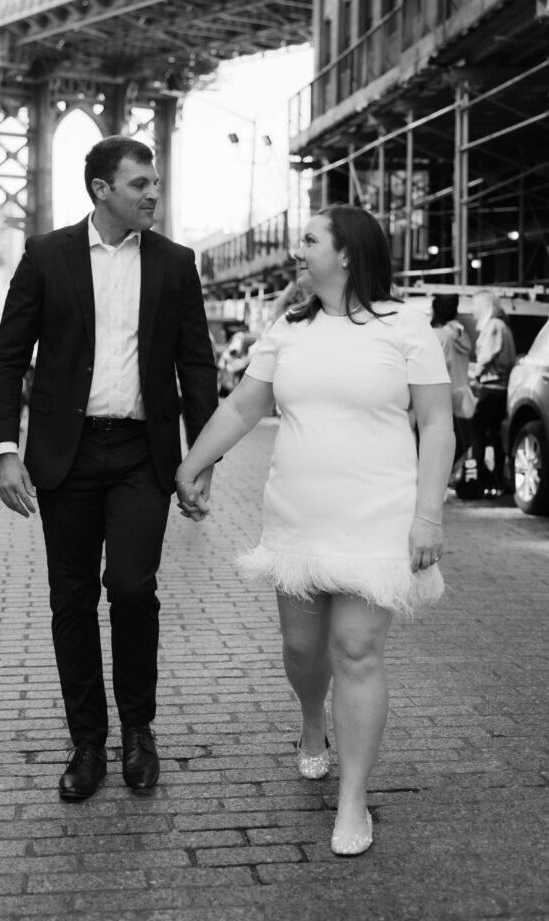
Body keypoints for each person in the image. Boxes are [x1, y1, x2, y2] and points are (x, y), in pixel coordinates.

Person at [175, 205, 454, 856]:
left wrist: (427, 515)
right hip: (297, 516)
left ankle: (353, 802)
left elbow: (436, 425)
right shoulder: (288, 329)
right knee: (303, 652)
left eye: (307, 240)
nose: (296, 251)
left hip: (378, 519)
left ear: (347, 252)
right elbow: (245, 404)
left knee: (356, 649)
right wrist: (193, 462)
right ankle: (310, 722)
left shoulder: (406, 326)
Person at [0, 135, 218, 801]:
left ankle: (138, 732)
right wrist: (6, 448)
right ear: (101, 189)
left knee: (129, 586)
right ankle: (86, 742)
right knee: (71, 599)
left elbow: (195, 365)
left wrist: (200, 460)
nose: (153, 193)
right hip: (67, 454)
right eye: (141, 183)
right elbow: (7, 360)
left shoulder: (175, 263)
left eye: (155, 183)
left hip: (142, 456)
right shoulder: (46, 255)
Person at [470, 290, 516, 496]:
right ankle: (496, 479)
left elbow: (487, 355)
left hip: (492, 389)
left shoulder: (494, 326)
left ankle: (479, 477)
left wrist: (475, 375)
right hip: (499, 389)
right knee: (495, 436)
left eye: (475, 307)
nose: (473, 312)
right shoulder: (501, 325)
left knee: (478, 433)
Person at [430, 293, 473, 483]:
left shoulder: (436, 336)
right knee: (458, 443)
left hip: (441, 398)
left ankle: (438, 480)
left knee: (438, 444)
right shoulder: (463, 335)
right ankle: (451, 478)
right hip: (463, 395)